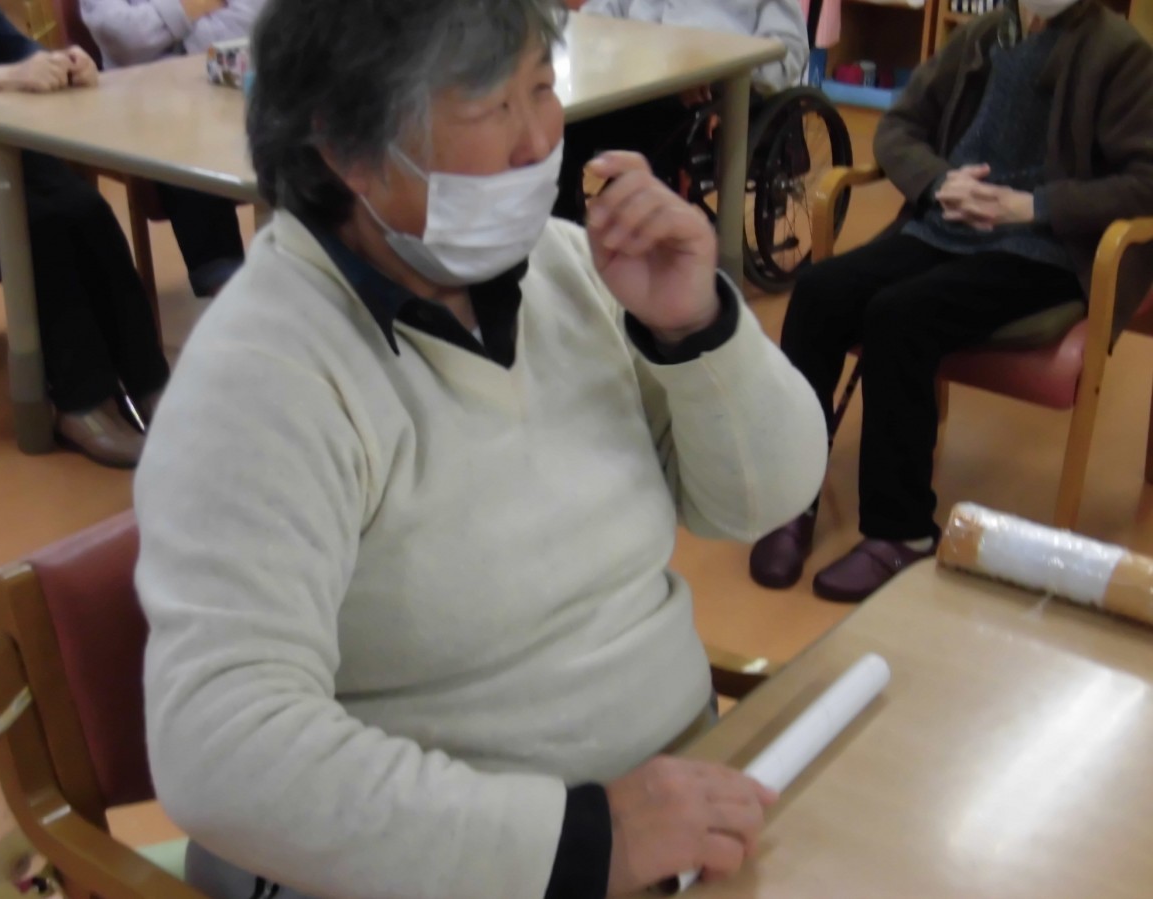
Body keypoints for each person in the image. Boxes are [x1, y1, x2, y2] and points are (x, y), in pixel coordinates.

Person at [134, 1, 828, 897]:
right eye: (491, 106)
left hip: (684, 804)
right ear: (347, 148)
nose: (539, 140)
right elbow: (223, 749)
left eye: (542, 87)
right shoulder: (264, 374)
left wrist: (696, 328)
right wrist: (587, 843)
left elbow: (765, 498)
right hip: (466, 863)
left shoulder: (570, 270)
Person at [749, 0, 1153, 602]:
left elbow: (1145, 179)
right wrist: (939, 183)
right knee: (818, 292)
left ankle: (901, 532)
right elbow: (899, 126)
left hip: (1045, 250)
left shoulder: (1120, 53)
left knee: (901, 316)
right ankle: (791, 494)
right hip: (946, 225)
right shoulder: (987, 34)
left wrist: (1035, 206)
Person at [0, 0, 169, 467]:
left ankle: (151, 383)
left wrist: (54, 63)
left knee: (87, 211)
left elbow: (4, 41)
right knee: (38, 231)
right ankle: (81, 400)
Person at [554, 0, 809, 220]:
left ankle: (630, 226)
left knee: (660, 123)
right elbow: (600, 14)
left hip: (713, 96)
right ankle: (560, 231)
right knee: (560, 119)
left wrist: (718, 72)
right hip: (633, 81)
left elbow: (789, 53)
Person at [78, 0, 264, 297]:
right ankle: (223, 277)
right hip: (140, 104)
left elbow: (254, 17)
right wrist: (195, 7)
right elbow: (124, 37)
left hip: (224, 87)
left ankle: (308, 265)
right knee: (180, 127)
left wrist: (165, 37)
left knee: (300, 120)